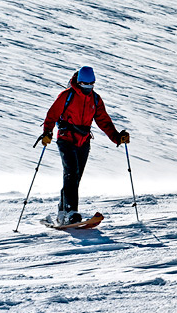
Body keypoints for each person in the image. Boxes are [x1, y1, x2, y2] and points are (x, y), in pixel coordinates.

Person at [38, 66, 129, 224]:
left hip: (84, 141)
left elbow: (103, 121)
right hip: (66, 139)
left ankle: (62, 211)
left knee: (74, 177)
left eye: (91, 85)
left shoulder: (95, 99)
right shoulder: (67, 95)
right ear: (78, 82)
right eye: (85, 85)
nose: (88, 88)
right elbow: (52, 114)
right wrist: (47, 133)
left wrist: (117, 137)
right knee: (71, 173)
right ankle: (71, 212)